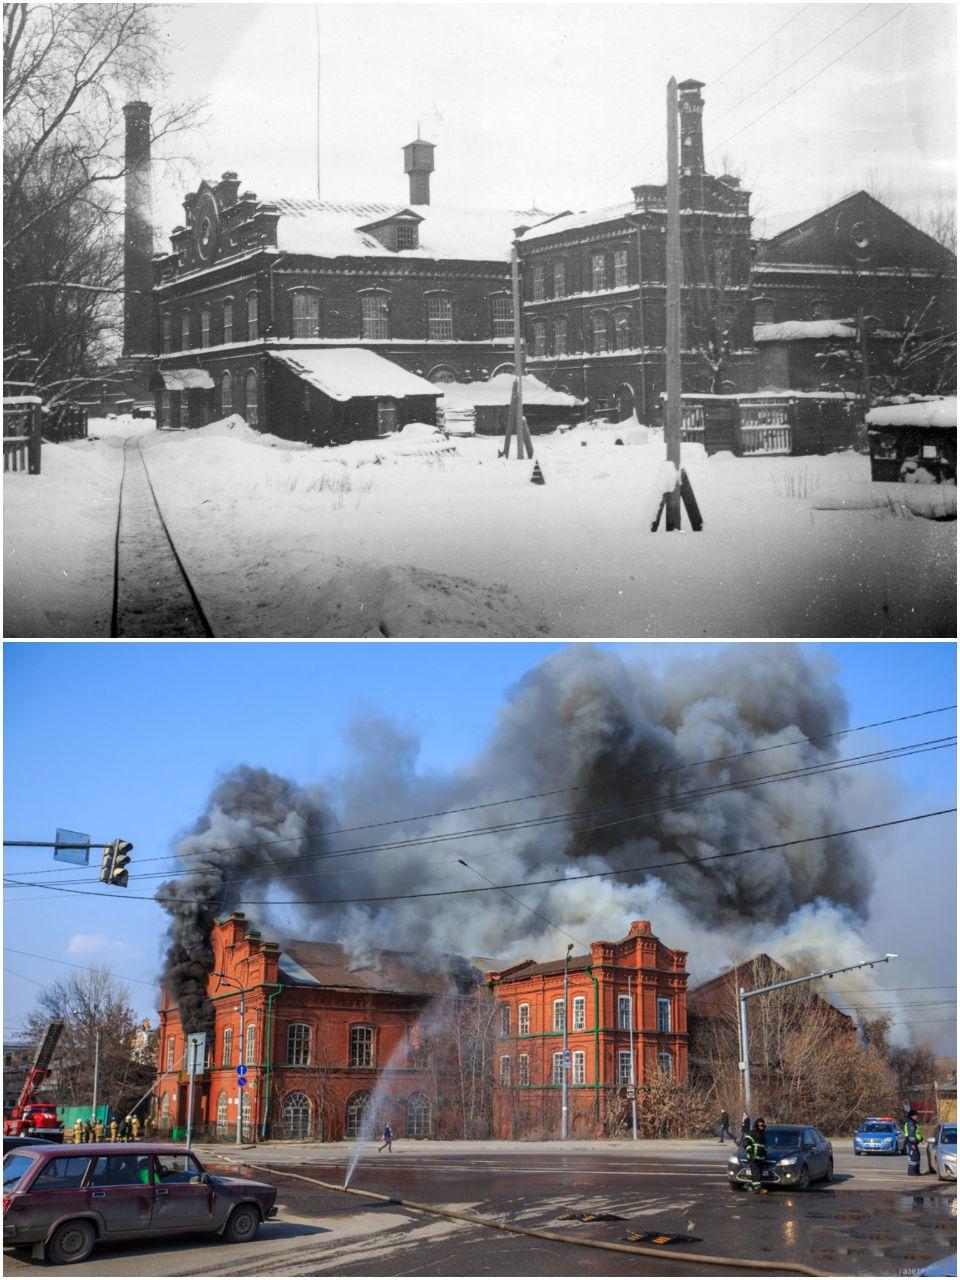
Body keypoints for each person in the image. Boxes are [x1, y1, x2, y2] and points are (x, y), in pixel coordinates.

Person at [743, 1116, 769, 1194]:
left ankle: (753, 1187)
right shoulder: (752, 1133)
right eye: (760, 1126)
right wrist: (749, 1150)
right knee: (756, 1172)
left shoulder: (762, 1135)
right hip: (753, 1157)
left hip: (760, 1158)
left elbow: (763, 1147)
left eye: (762, 1126)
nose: (761, 1128)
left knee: (759, 1173)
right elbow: (746, 1142)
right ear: (756, 1126)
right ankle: (757, 1188)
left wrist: (765, 1155)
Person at [904, 1109, 923, 1176]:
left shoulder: (913, 1122)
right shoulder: (910, 1123)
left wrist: (920, 1139)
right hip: (911, 1142)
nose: (917, 1116)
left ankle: (916, 1171)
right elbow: (911, 1134)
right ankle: (911, 1172)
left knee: (917, 1156)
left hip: (914, 1142)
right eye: (915, 1115)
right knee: (913, 1157)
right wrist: (912, 1144)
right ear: (912, 1116)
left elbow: (916, 1133)